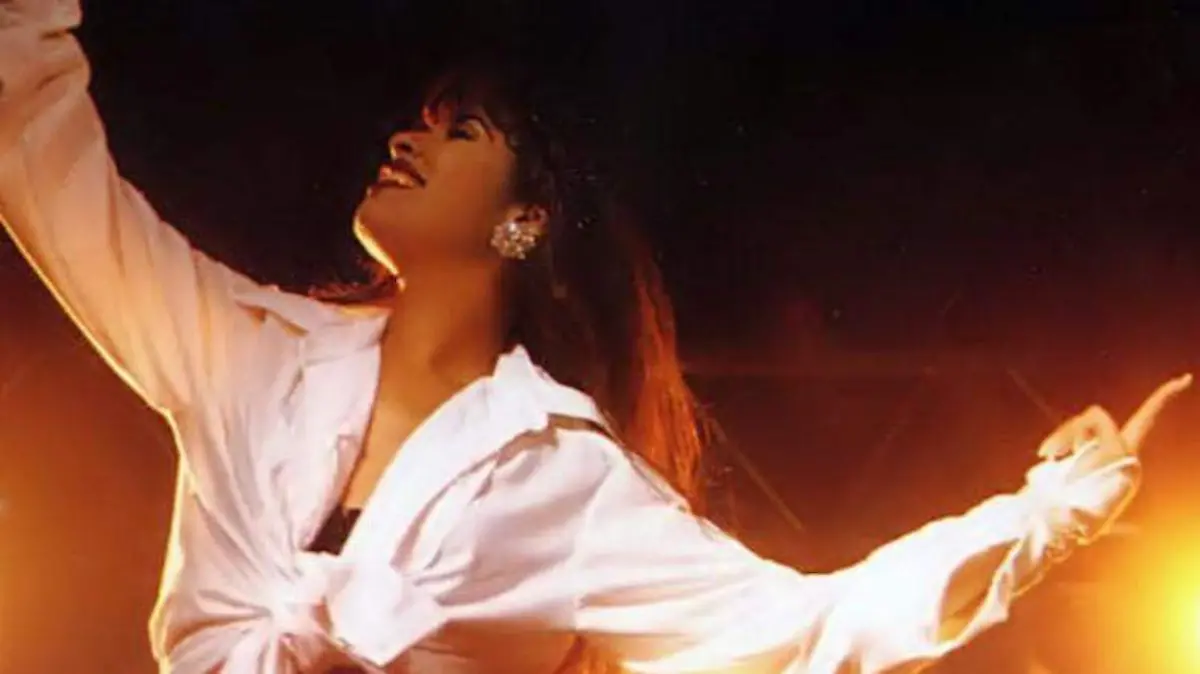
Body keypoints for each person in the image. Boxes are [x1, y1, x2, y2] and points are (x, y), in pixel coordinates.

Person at [0, 2, 1191, 673]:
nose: (407, 140)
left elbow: (811, 627)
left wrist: (1053, 511)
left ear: (523, 223)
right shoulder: (250, 355)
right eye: (419, 120)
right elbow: (43, 154)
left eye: (460, 131)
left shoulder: (565, 481)